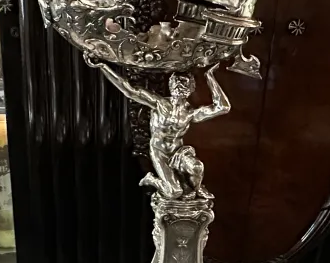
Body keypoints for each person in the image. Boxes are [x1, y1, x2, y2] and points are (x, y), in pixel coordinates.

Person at [86, 59, 230, 199]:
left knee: (197, 167)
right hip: (160, 152)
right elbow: (130, 90)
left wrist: (209, 77)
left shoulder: (190, 113)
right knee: (174, 192)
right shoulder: (160, 104)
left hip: (178, 151)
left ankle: (198, 188)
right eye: (177, 83)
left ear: (191, 89)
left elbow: (223, 107)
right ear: (171, 85)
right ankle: (151, 179)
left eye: (184, 83)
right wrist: (103, 67)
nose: (180, 86)